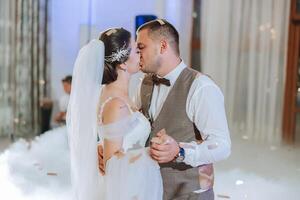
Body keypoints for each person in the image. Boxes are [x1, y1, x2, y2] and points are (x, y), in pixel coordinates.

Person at [99, 19, 231, 200]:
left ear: (162, 46)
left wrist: (181, 152)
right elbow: (131, 128)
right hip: (148, 190)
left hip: (189, 193)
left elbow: (222, 145)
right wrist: (107, 150)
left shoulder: (201, 87)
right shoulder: (143, 84)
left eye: (141, 47)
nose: (137, 53)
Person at [67, 28, 163, 200]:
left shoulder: (117, 95)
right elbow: (113, 167)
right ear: (123, 63)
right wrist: (152, 153)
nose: (140, 52)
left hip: (134, 185)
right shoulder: (116, 104)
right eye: (136, 49)